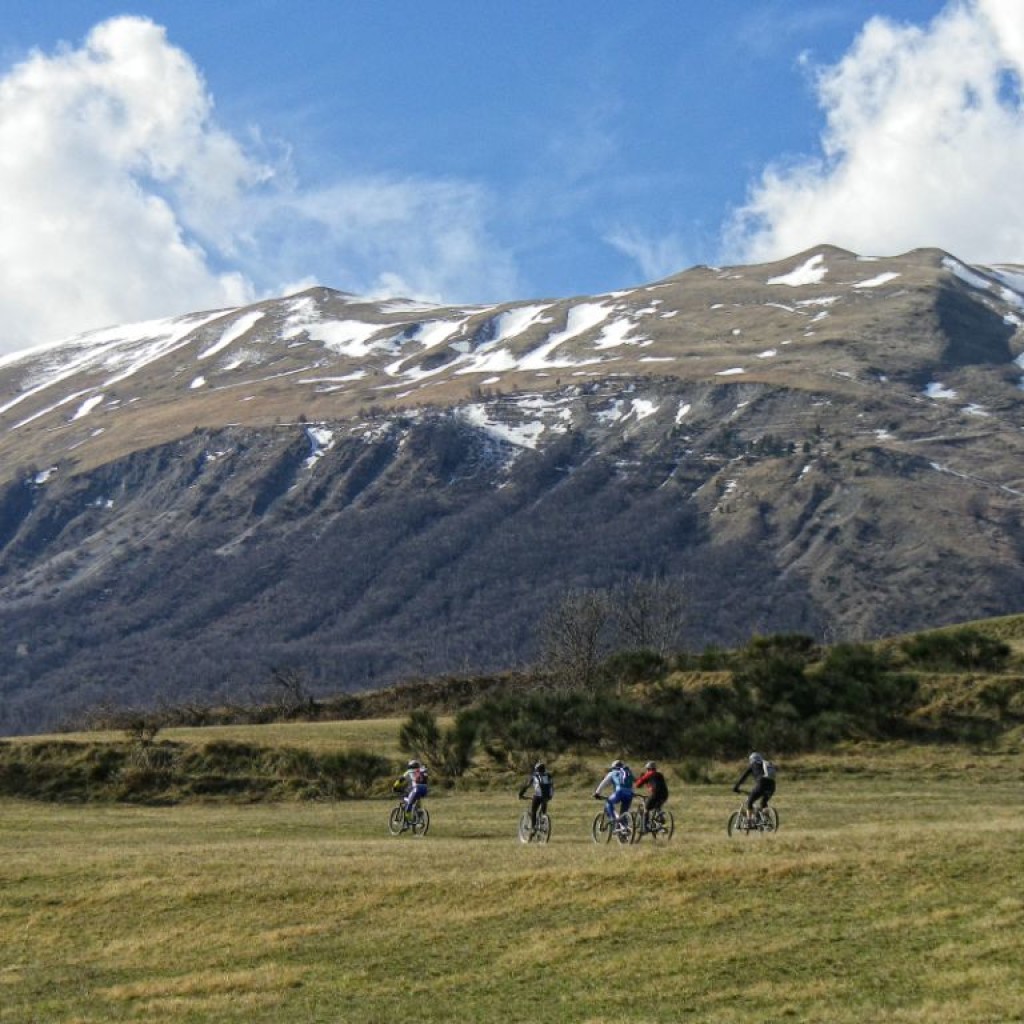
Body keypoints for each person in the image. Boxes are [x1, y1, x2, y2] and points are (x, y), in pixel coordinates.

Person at [732, 752, 776, 822]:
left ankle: (749, 821)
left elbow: (743, 777)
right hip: (772, 784)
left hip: (762, 783)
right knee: (763, 802)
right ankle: (767, 821)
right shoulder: (765, 764)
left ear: (751, 759)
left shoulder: (753, 765)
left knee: (750, 801)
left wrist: (736, 787)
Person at [593, 758, 634, 829]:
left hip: (620, 792)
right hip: (630, 794)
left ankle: (614, 821)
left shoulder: (612, 773)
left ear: (613, 767)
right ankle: (624, 829)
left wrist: (597, 793)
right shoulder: (628, 772)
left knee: (608, 803)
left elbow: (604, 783)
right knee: (623, 813)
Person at [518, 761, 554, 832]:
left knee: (533, 810)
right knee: (543, 812)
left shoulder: (534, 776)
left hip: (538, 796)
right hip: (548, 796)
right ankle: (544, 822)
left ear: (536, 769)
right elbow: (552, 786)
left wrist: (521, 793)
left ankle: (533, 828)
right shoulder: (548, 775)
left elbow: (527, 785)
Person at [634, 760, 669, 829]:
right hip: (665, 794)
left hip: (655, 793)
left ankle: (644, 827)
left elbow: (638, 785)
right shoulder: (660, 774)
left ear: (648, 769)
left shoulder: (648, 774)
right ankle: (660, 816)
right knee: (657, 806)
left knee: (646, 808)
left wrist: (641, 778)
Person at [394, 759, 429, 827]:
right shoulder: (421, 770)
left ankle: (408, 823)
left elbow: (400, 780)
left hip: (416, 789)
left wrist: (395, 787)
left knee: (409, 805)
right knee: (416, 803)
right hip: (425, 789)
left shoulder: (409, 771)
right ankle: (419, 817)